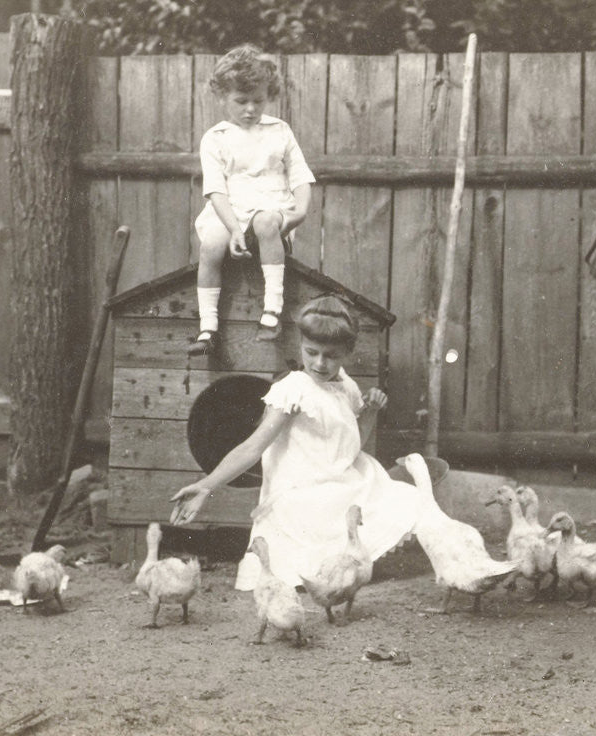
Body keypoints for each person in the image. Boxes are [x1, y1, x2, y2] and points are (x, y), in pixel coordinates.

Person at [170, 295, 422, 591]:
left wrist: (370, 413)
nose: (319, 363)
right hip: (301, 495)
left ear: (347, 353)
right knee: (311, 567)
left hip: (337, 483)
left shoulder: (347, 387)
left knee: (407, 499)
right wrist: (205, 486)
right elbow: (253, 446)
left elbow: (350, 447)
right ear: (300, 345)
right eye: (311, 352)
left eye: (331, 355)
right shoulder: (293, 389)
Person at [188, 44, 315, 356]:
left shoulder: (279, 130)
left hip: (273, 209)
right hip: (229, 212)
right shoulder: (215, 138)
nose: (250, 109)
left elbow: (300, 174)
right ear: (222, 97)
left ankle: (272, 310)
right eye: (240, 101)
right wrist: (232, 228)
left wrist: (300, 211)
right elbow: (216, 190)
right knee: (211, 245)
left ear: (268, 95)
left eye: (258, 100)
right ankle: (208, 328)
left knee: (266, 219)